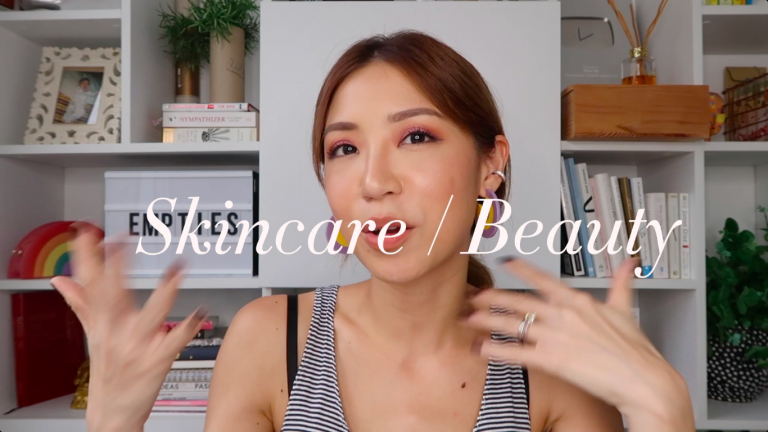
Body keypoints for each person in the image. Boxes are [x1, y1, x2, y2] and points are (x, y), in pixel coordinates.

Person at [51, 30, 696, 432]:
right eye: (344, 149)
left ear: (490, 164)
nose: (373, 181)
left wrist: (664, 412)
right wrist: (113, 422)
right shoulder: (266, 340)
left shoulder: (552, 364)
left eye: (415, 137)